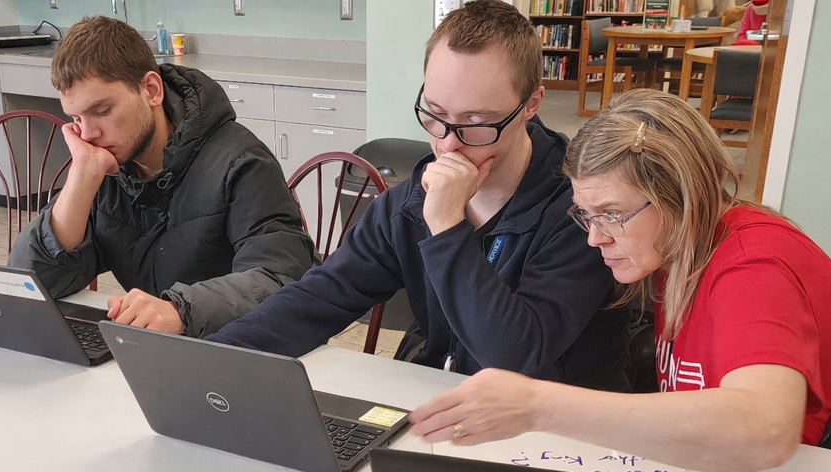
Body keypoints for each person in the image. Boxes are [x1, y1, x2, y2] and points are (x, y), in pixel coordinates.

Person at [410, 89, 831, 472]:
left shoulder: (754, 267)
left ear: (680, 195)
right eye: (586, 215)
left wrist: (537, 405)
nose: (595, 238)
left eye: (613, 214)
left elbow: (764, 430)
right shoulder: (675, 258)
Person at [209, 0, 629, 390]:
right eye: (436, 115)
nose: (448, 146)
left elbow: (515, 358)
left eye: (476, 122)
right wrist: (214, 358)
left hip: (556, 434)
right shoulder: (409, 203)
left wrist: (447, 227)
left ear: (532, 104)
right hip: (447, 407)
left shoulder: (581, 209)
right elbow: (323, 295)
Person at [8, 16, 315, 337]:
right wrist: (81, 177)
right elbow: (29, 282)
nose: (89, 133)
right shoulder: (104, 165)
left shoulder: (242, 163)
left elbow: (278, 276)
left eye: (101, 111)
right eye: (75, 118)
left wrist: (180, 309)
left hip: (237, 350)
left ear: (151, 90)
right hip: (158, 350)